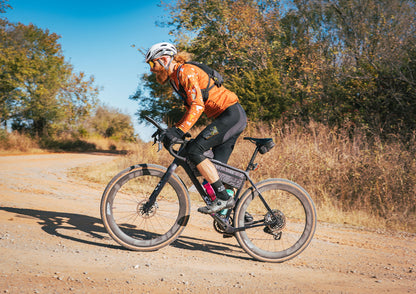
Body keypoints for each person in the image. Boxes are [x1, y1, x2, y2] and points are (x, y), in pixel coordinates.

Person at [145, 42, 247, 214]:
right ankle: (238, 217)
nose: (151, 69)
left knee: (195, 150)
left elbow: (197, 105)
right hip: (224, 117)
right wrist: (172, 129)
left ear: (163, 60)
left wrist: (179, 130)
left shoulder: (184, 71)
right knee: (214, 172)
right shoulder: (175, 80)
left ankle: (223, 198)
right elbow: (189, 108)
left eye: (151, 63)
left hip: (231, 115)